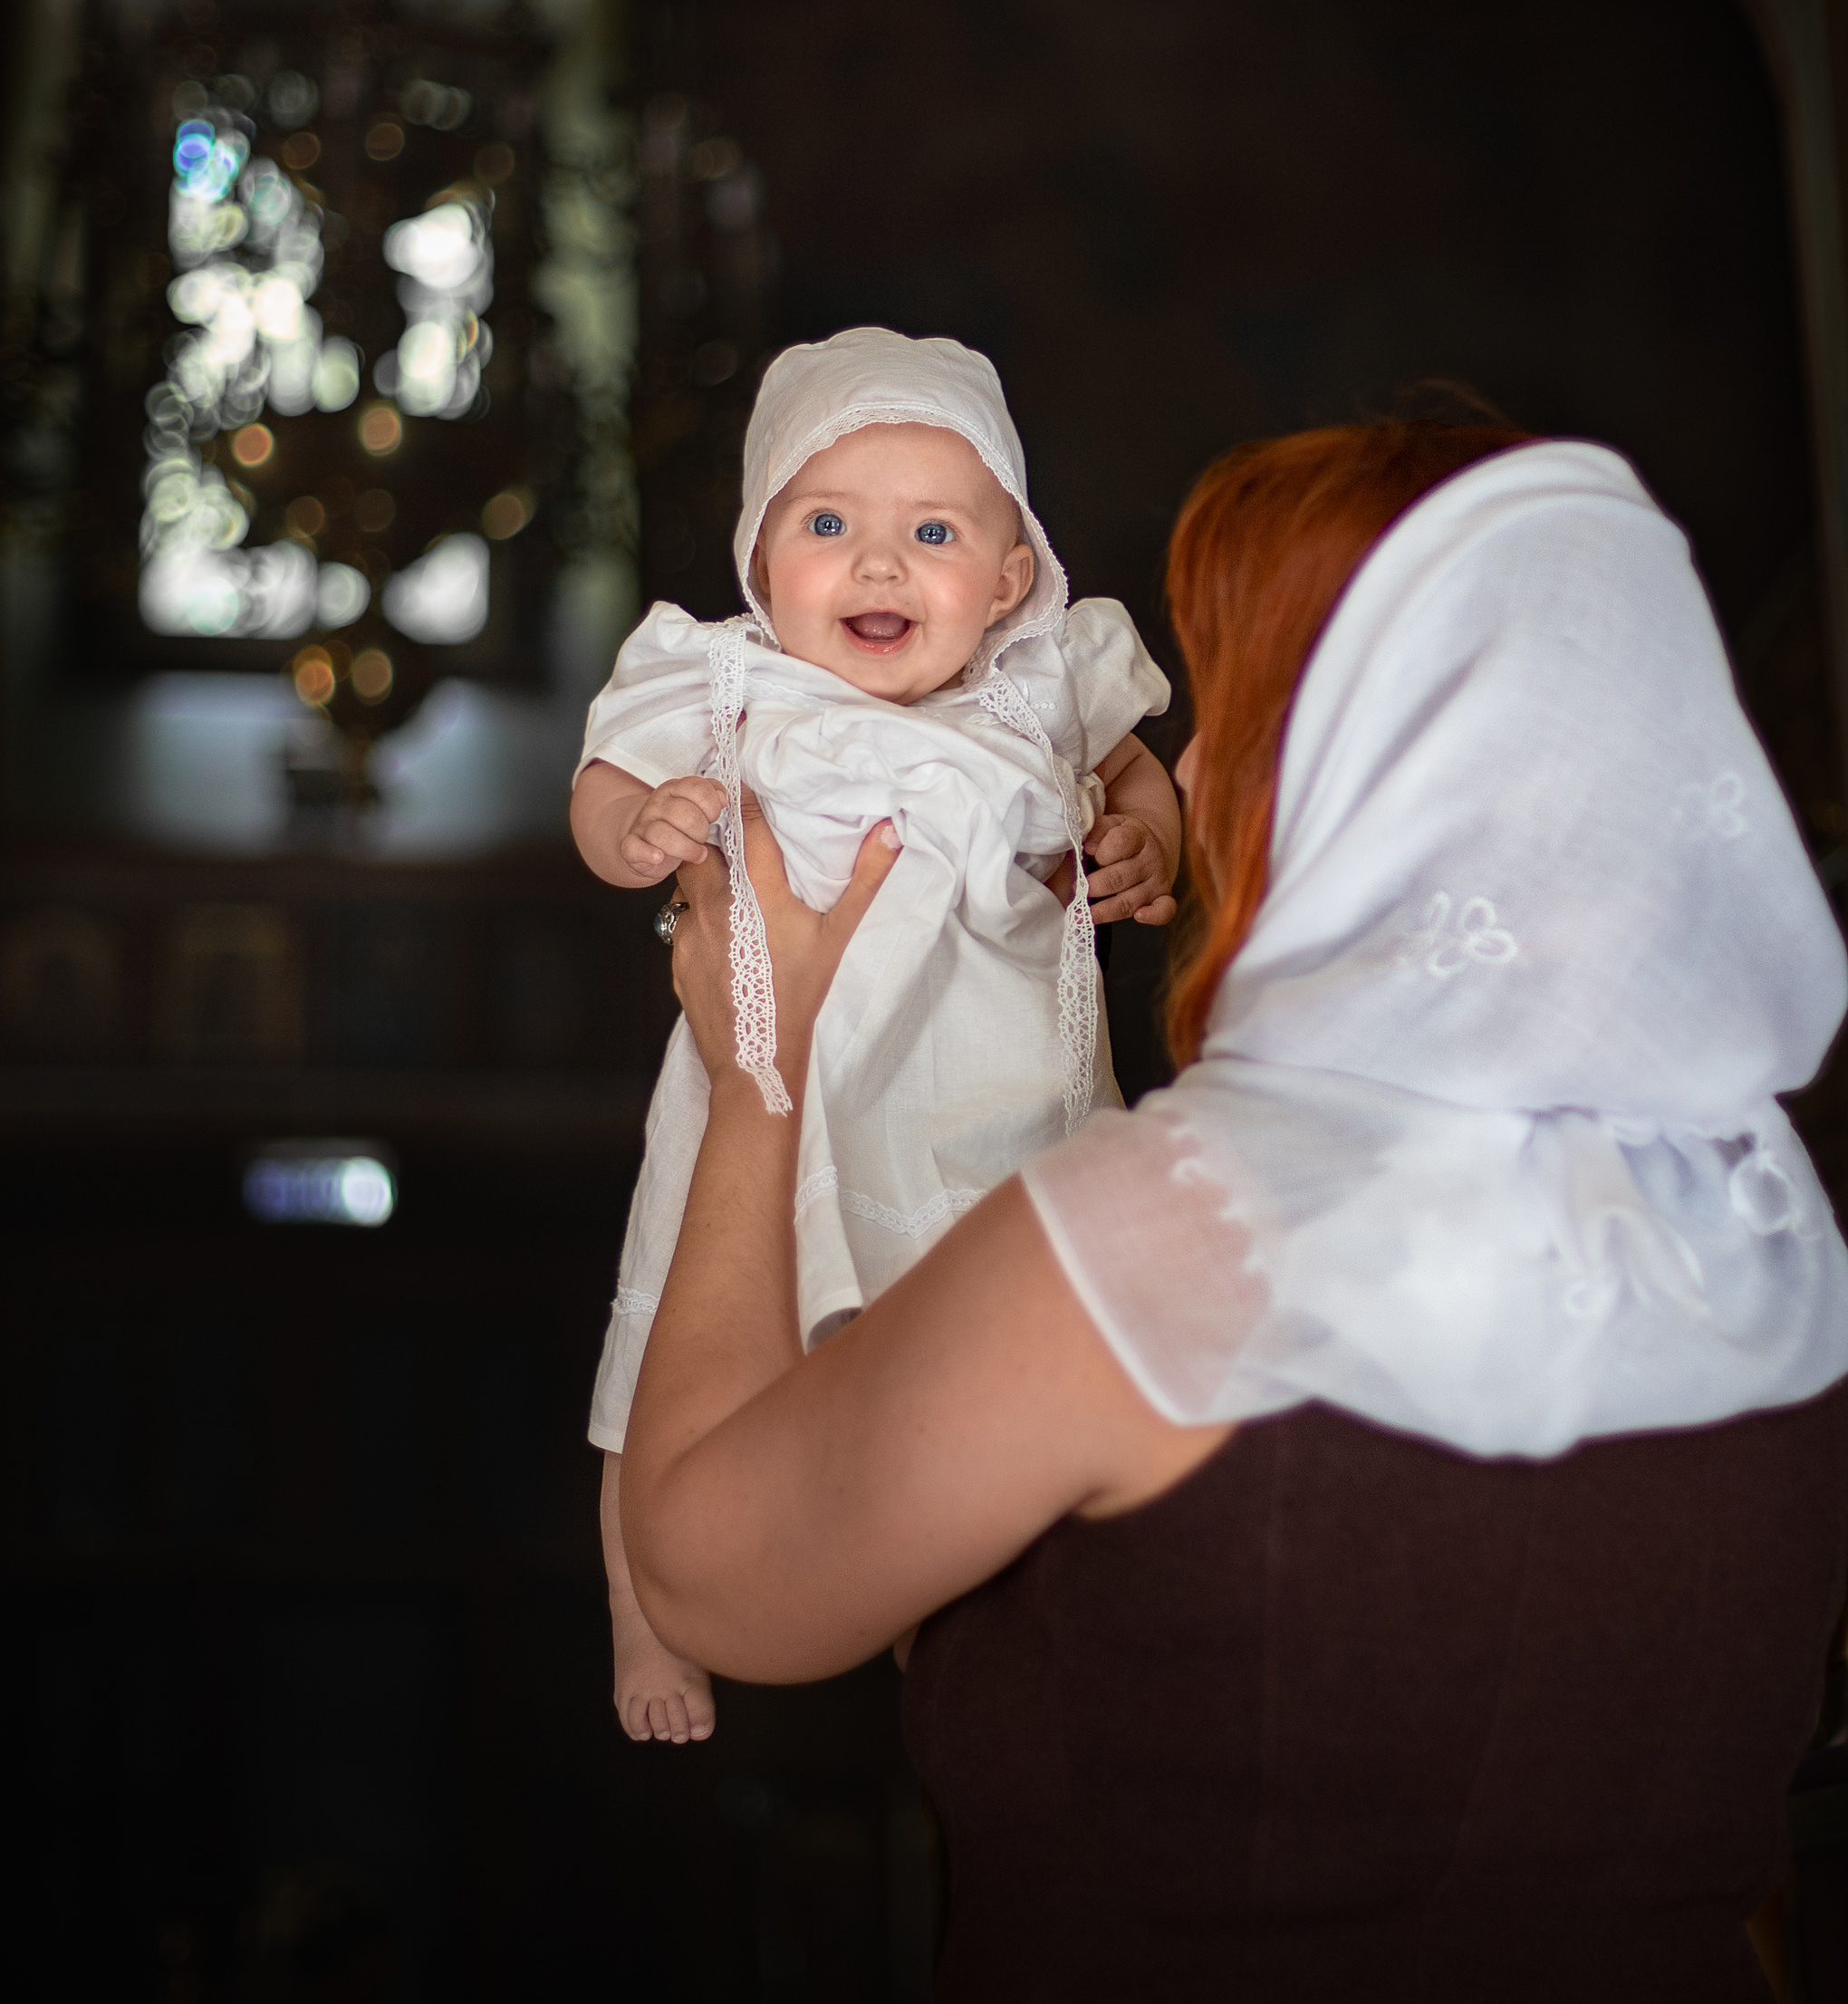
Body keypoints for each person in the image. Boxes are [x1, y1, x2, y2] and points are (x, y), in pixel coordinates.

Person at [621, 419, 1848, 1999]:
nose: (1190, 768)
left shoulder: (1179, 1232)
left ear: (1357, 756)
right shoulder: (1772, 1228)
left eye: (1237, 704)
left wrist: (763, 1076)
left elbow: (710, 1575)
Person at [570, 328, 1182, 1742]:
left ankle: (937, 1599)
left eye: (934, 531)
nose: (879, 564)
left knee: (962, 1363)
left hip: (993, 1089)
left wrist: (1147, 837)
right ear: (758, 560)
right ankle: (643, 1602)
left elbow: (1142, 771)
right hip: (779, 1072)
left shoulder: (1050, 683)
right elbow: (604, 780)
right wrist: (633, 829)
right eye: (828, 524)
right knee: (679, 1325)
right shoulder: (724, 683)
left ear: (1013, 576)